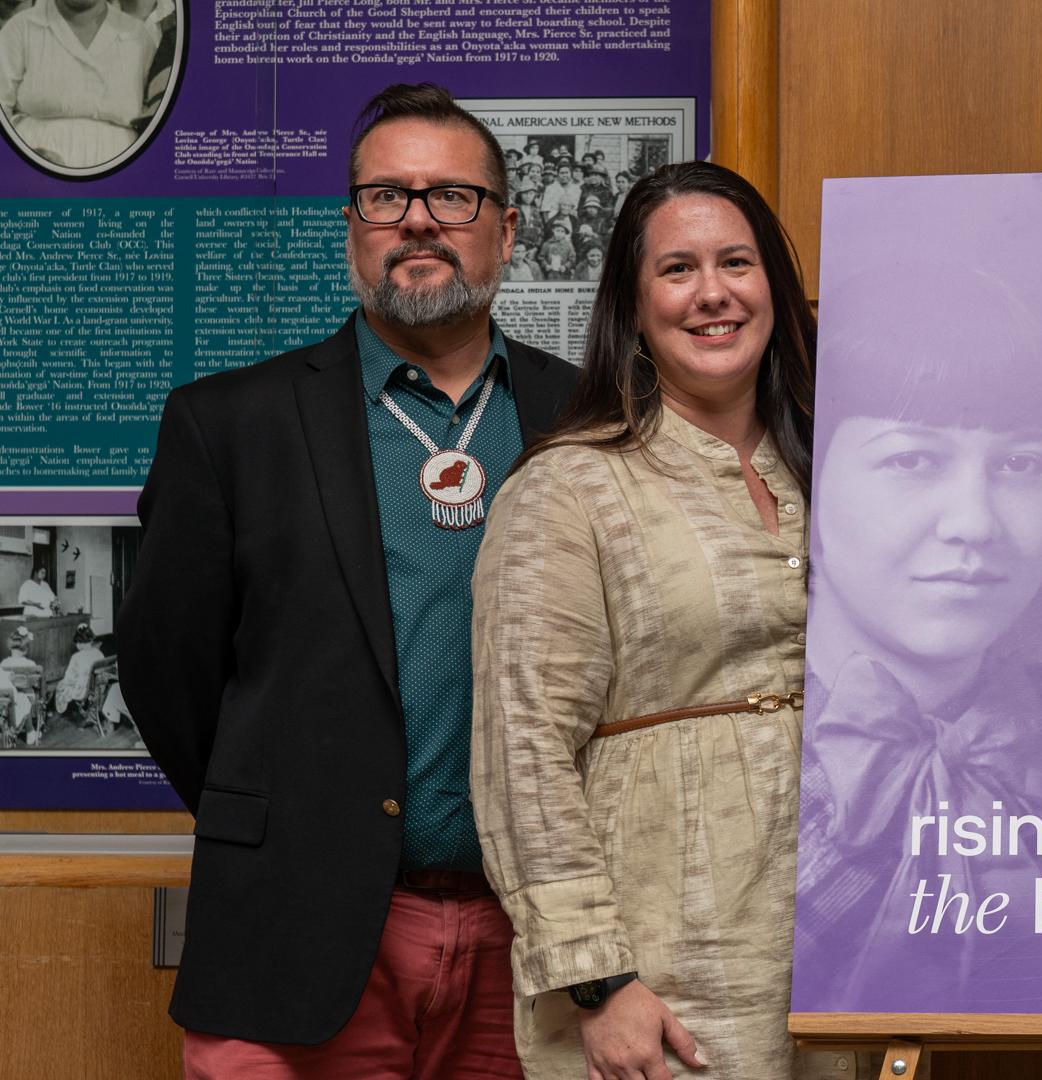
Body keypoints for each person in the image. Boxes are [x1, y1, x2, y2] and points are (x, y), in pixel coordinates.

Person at [119, 82, 577, 1077]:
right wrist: (295, 816)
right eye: (385, 197)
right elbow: (166, 669)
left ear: (507, 229)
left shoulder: (586, 416)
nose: (417, 218)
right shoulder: (228, 425)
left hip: (536, 944)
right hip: (297, 929)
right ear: (350, 229)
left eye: (452, 197)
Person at [470, 160, 824, 1079]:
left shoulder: (837, 473)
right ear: (632, 308)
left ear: (774, 289)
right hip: (660, 966)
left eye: (737, 263)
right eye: (677, 270)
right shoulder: (568, 487)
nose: (713, 293)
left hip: (841, 945)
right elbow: (523, 751)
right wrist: (598, 979)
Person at [792, 264, 1042, 1010]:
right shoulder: (727, 726)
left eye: (1022, 464)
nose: (974, 524)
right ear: (814, 475)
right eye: (911, 459)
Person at [0, 0, 159, 169]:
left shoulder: (138, 36)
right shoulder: (21, 27)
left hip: (119, 175)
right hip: (36, 173)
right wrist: (22, 159)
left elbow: (155, 120)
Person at [50, 621, 101, 720]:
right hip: (96, 687)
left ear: (79, 643)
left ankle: (58, 712)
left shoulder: (76, 657)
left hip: (82, 691)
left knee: (61, 685)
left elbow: (68, 678)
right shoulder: (98, 653)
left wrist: (66, 681)